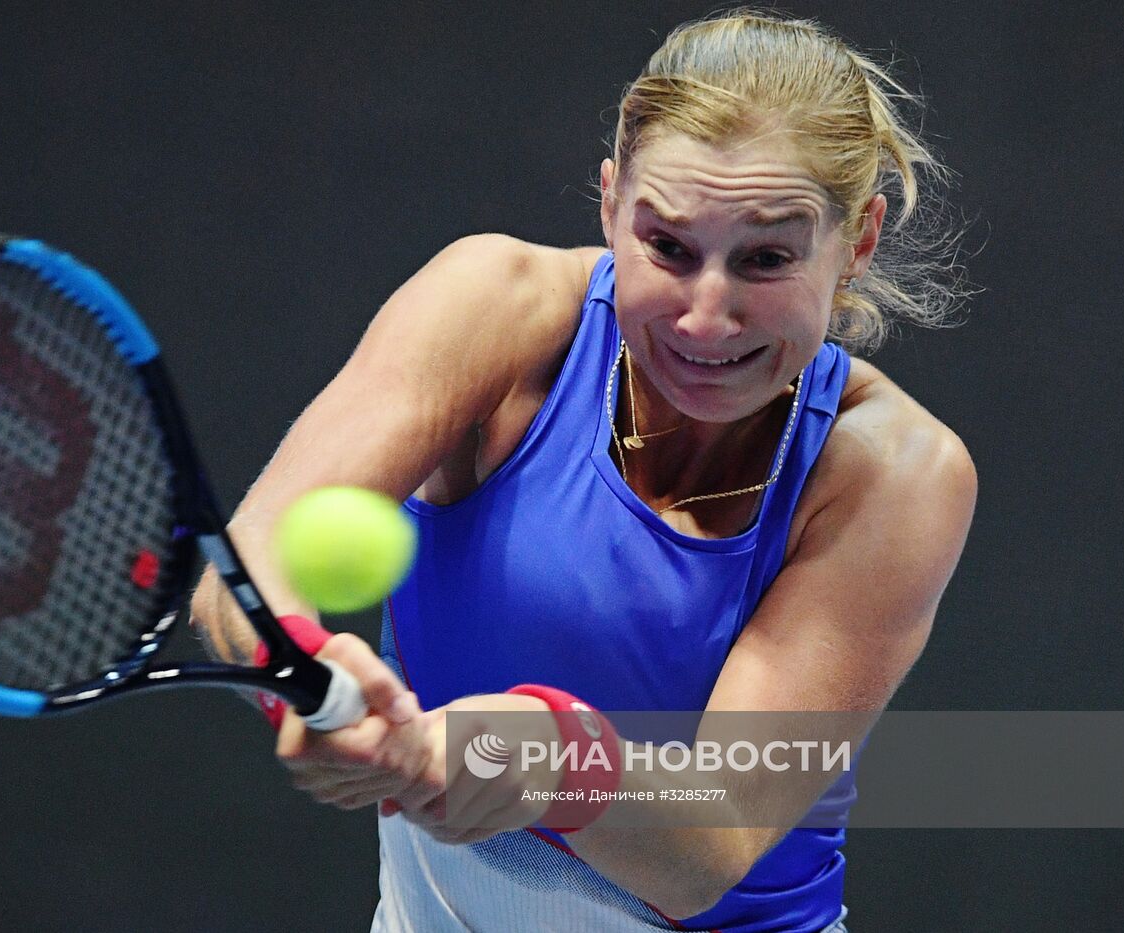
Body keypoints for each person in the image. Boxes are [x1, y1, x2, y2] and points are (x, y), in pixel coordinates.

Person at [193, 10, 976, 932]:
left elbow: (707, 844)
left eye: (767, 257)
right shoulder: (498, 306)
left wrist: (556, 755)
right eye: (668, 247)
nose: (705, 320)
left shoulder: (895, 471)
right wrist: (301, 662)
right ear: (610, 205)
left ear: (861, 239)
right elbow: (246, 566)